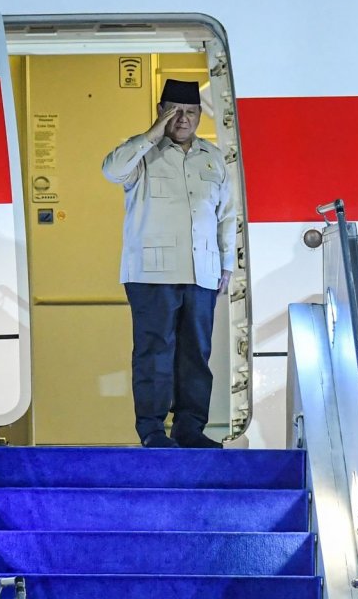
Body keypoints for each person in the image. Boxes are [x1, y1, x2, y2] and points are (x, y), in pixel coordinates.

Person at [101, 79, 235, 449]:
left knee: (196, 354)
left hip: (202, 271)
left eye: (190, 112)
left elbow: (227, 216)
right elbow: (111, 170)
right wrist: (151, 134)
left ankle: (190, 428)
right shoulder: (142, 153)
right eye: (175, 111)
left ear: (199, 115)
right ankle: (152, 431)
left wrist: (226, 264)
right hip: (151, 273)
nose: (183, 119)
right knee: (154, 352)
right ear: (161, 112)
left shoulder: (213, 158)